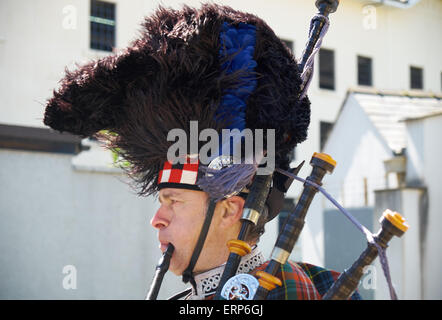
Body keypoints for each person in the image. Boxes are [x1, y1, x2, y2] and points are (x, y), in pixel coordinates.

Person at [43, 3, 360, 300]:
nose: (156, 220)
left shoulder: (301, 290)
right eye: (162, 201)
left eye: (174, 202)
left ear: (228, 211)